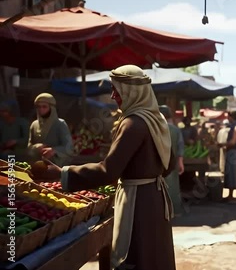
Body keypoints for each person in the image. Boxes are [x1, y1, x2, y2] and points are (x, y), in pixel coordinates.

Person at [39, 65, 176, 270]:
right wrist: (147, 173)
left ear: (131, 91)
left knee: (135, 256)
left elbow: (108, 170)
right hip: (155, 199)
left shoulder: (132, 123)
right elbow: (170, 164)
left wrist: (62, 173)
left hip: (137, 202)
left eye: (116, 89)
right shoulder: (156, 119)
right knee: (154, 255)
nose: (113, 96)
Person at [27, 93, 74, 166]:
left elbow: (69, 148)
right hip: (37, 165)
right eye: (39, 107)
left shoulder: (60, 124)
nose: (41, 109)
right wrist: (36, 147)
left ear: (51, 108)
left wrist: (53, 150)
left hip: (56, 166)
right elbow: (29, 147)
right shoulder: (34, 125)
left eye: (44, 107)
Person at [160, 105, 185, 217]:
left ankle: (162, 211)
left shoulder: (156, 129)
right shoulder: (175, 130)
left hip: (159, 163)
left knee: (160, 187)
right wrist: (180, 162)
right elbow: (180, 147)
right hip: (173, 163)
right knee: (173, 186)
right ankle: (174, 210)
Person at [222, 111, 236, 203]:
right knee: (230, 174)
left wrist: (221, 144)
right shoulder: (232, 126)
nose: (227, 118)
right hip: (231, 152)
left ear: (231, 117)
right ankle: (230, 195)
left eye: (228, 117)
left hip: (235, 153)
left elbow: (233, 142)